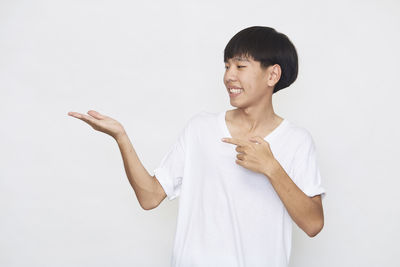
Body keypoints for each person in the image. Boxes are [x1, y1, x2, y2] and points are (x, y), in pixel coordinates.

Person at [68, 26, 326, 267]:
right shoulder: (200, 129)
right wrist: (121, 137)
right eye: (226, 66)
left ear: (273, 74)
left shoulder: (296, 141)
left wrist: (271, 167)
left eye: (240, 65)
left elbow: (313, 224)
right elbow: (149, 197)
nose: (229, 76)